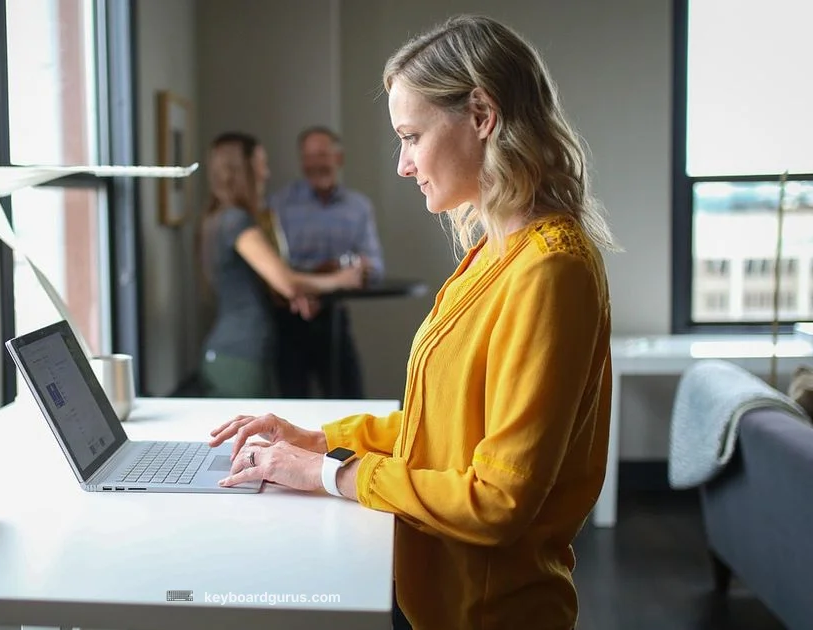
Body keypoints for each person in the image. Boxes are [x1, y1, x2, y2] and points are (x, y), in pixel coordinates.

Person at [207, 15, 620, 630]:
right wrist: (317, 440)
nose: (403, 164)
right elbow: (446, 427)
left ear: (482, 115)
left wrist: (330, 474)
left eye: (411, 136)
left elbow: (498, 500)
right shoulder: (494, 252)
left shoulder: (549, 269)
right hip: (430, 598)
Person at [197, 131, 365, 399]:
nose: (266, 173)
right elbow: (286, 279)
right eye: (261, 164)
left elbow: (270, 285)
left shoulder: (221, 218)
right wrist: (341, 280)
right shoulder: (237, 221)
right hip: (241, 354)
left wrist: (293, 295)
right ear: (244, 169)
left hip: (234, 353)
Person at [267, 126, 386, 399]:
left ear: (338, 158)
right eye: (308, 156)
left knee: (350, 402)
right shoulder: (278, 204)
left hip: (334, 321)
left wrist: (355, 270)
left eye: (322, 154)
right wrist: (329, 274)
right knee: (291, 408)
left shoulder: (359, 207)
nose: (315, 164)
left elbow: (376, 267)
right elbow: (274, 269)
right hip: (289, 321)